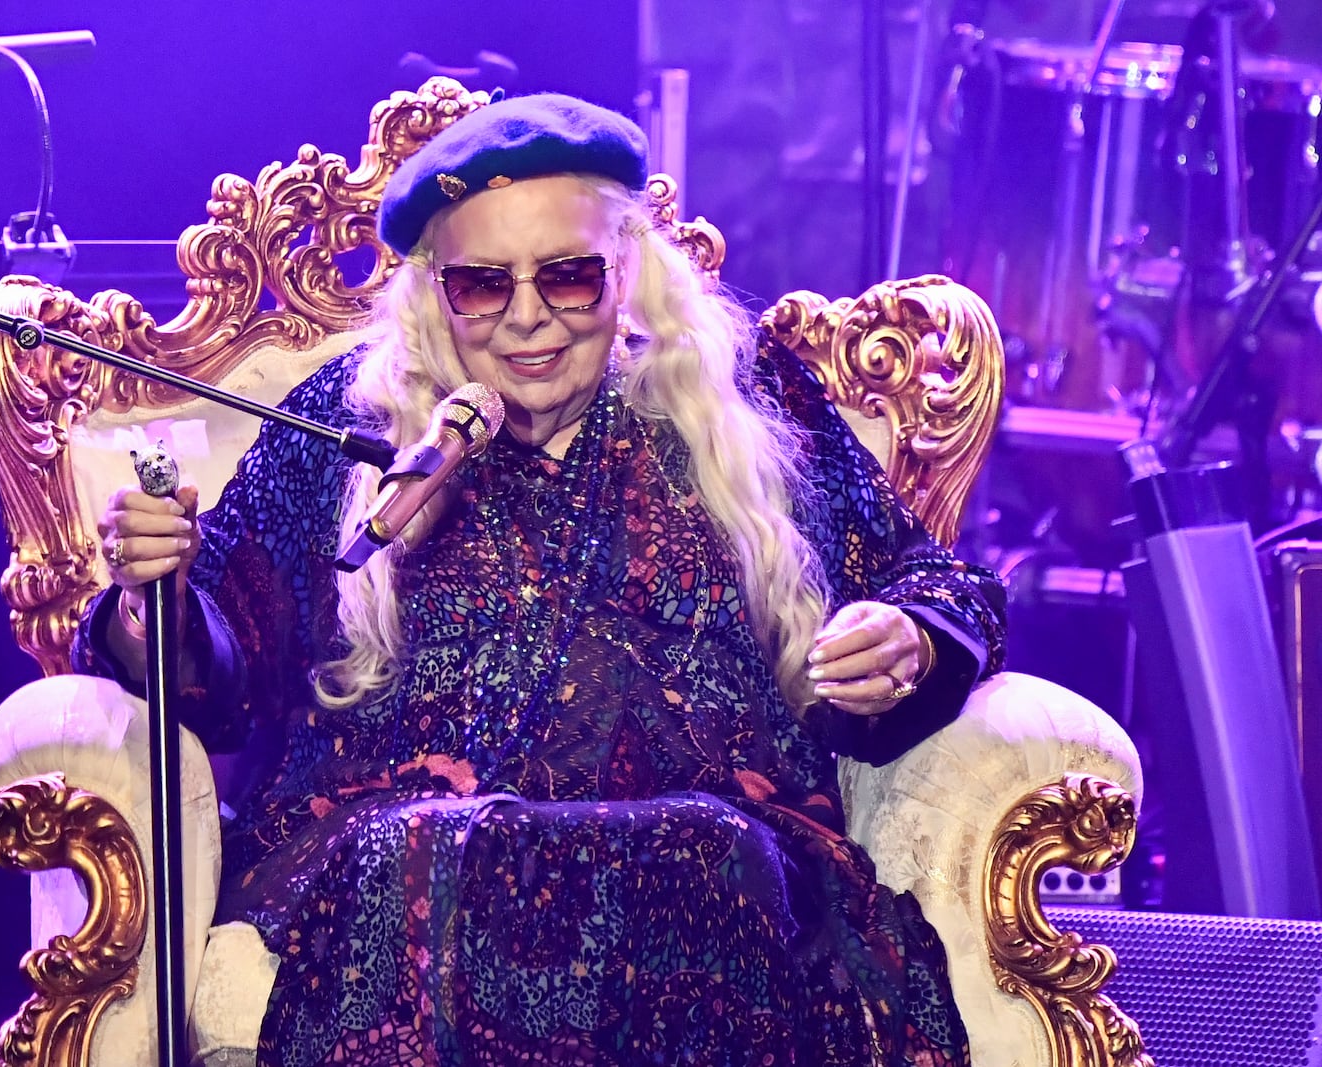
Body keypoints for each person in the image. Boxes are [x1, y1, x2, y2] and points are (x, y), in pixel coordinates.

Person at [76, 91, 1008, 1065]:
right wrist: (157, 598)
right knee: (420, 853)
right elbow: (215, 656)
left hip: (708, 853)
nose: (527, 319)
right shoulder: (346, 424)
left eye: (567, 276)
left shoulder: (744, 403)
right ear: (435, 287)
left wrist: (909, 637)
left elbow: (934, 577)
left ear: (627, 267)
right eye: (483, 284)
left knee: (703, 850)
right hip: (410, 857)